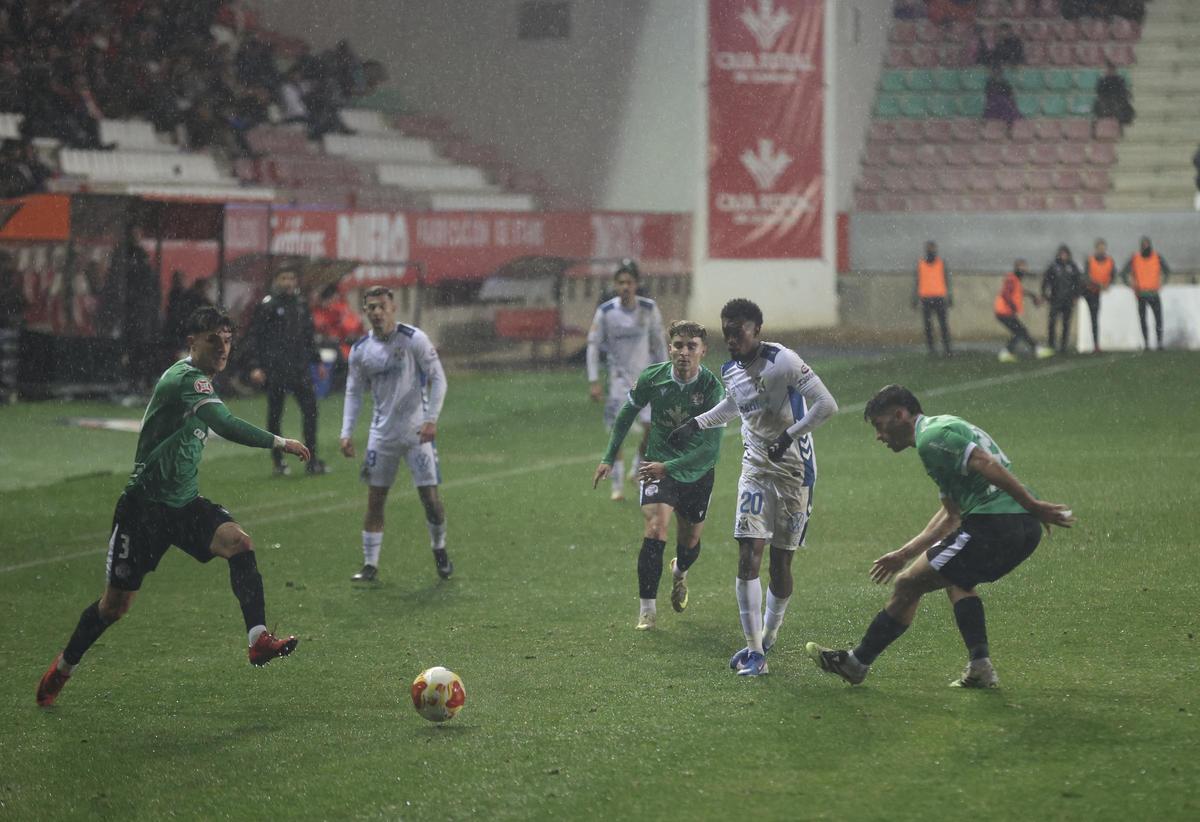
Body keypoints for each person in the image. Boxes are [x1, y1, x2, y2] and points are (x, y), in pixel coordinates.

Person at [35, 306, 310, 707]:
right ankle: (64, 667)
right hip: (143, 510)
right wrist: (279, 442)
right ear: (192, 342)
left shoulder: (203, 382)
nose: (222, 347)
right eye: (212, 339)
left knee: (238, 543)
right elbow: (224, 423)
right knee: (113, 607)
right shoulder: (186, 378)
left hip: (182, 506)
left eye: (227, 339)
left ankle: (258, 640)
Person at [805, 385, 1075, 688]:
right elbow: (951, 514)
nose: (878, 436)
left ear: (900, 415)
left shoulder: (932, 438)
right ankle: (980, 667)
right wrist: (903, 554)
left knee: (908, 583)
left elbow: (986, 464)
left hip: (996, 523)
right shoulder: (936, 438)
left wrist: (1032, 504)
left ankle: (856, 663)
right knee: (956, 580)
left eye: (880, 426)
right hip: (1022, 529)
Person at [668, 299, 839, 677]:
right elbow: (734, 406)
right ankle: (754, 651)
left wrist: (789, 436)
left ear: (756, 330)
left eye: (738, 332)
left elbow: (827, 405)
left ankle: (769, 633)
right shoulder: (731, 369)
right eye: (726, 332)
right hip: (756, 468)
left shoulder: (785, 361)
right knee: (748, 553)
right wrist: (695, 424)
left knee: (781, 564)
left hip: (795, 471)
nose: (731, 339)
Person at [592, 320, 725, 630]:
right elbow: (627, 413)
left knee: (690, 541)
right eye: (678, 345)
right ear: (669, 348)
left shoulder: (711, 388)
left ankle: (679, 571)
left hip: (696, 472)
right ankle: (647, 611)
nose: (683, 352)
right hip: (657, 465)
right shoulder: (653, 377)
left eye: (691, 346)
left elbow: (711, 451)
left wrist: (670, 467)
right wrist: (609, 457)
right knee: (655, 527)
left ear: (702, 351)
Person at [339, 286, 452, 582]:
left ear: (393, 308)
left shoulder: (414, 339)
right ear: (365, 311)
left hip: (417, 434)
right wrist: (346, 432)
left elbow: (439, 379)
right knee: (375, 500)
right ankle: (370, 565)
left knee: (430, 499)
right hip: (382, 435)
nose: (376, 312)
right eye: (371, 307)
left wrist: (431, 419)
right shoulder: (361, 351)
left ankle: (439, 548)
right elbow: (353, 393)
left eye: (381, 307)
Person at [586, 260, 667, 501]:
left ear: (636, 284)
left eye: (629, 282)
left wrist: (665, 374)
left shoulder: (649, 309)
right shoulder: (606, 312)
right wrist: (594, 380)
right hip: (618, 382)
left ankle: (636, 469)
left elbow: (659, 343)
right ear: (614, 285)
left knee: (651, 430)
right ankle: (617, 486)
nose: (625, 287)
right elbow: (592, 347)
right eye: (620, 282)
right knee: (618, 432)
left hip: (646, 380)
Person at [245, 268, 327, 475]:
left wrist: (317, 361)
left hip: (299, 369)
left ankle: (312, 459)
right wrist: (255, 365)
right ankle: (278, 462)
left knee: (311, 411)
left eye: (291, 277)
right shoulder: (267, 306)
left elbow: (309, 335)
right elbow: (255, 337)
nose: (288, 282)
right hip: (276, 370)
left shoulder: (300, 305)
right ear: (276, 281)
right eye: (284, 278)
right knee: (274, 416)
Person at [995, 260, 1052, 362]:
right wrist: (1012, 305)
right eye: (1022, 268)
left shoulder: (1015, 280)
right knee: (1020, 331)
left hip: (1006, 312)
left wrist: (1032, 296)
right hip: (1004, 312)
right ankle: (1008, 352)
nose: (1024, 270)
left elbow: (1020, 291)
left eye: (1025, 268)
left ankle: (1035, 349)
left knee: (1020, 331)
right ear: (1016, 268)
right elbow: (1006, 293)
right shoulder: (1011, 278)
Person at [1119, 236, 1171, 351]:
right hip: (1141, 294)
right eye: (1144, 245)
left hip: (1153, 293)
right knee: (1143, 320)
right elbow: (1123, 273)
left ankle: (1159, 343)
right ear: (1141, 246)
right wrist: (1131, 285)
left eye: (1147, 245)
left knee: (1158, 319)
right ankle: (1146, 343)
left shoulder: (1157, 257)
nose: (1146, 247)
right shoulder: (1135, 258)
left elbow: (1167, 271)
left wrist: (1162, 283)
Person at [913, 240, 953, 357]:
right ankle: (931, 349)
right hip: (925, 298)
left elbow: (947, 280)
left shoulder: (941, 263)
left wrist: (949, 296)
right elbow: (917, 281)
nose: (931, 252)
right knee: (928, 326)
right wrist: (915, 298)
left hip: (939, 298)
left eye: (933, 249)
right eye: (929, 249)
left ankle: (947, 349)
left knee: (943, 325)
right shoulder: (921, 264)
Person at [1041, 244, 1083, 354]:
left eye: (1065, 254)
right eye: (1062, 254)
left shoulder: (1072, 266)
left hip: (1068, 300)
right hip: (1055, 299)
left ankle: (1063, 346)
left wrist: (1076, 296)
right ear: (1059, 255)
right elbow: (1046, 281)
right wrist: (1044, 294)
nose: (1064, 256)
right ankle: (1051, 344)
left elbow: (1078, 282)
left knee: (1066, 324)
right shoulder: (1053, 266)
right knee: (1052, 323)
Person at [1082, 239, 1115, 354]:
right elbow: (1086, 277)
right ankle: (1095, 344)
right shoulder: (1090, 260)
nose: (1102, 250)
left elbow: (1112, 275)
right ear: (1096, 249)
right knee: (1093, 318)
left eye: (1103, 248)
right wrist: (1098, 284)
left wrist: (1107, 285)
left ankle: (1096, 344)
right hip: (1088, 291)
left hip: (1098, 291)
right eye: (1099, 248)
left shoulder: (1110, 261)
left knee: (1095, 318)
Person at [1093, 61, 1134, 127]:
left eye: (1111, 69)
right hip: (1105, 102)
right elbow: (1099, 92)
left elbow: (1123, 91)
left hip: (1118, 101)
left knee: (1121, 107)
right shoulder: (1102, 80)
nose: (1109, 71)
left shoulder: (1120, 80)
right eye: (1108, 69)